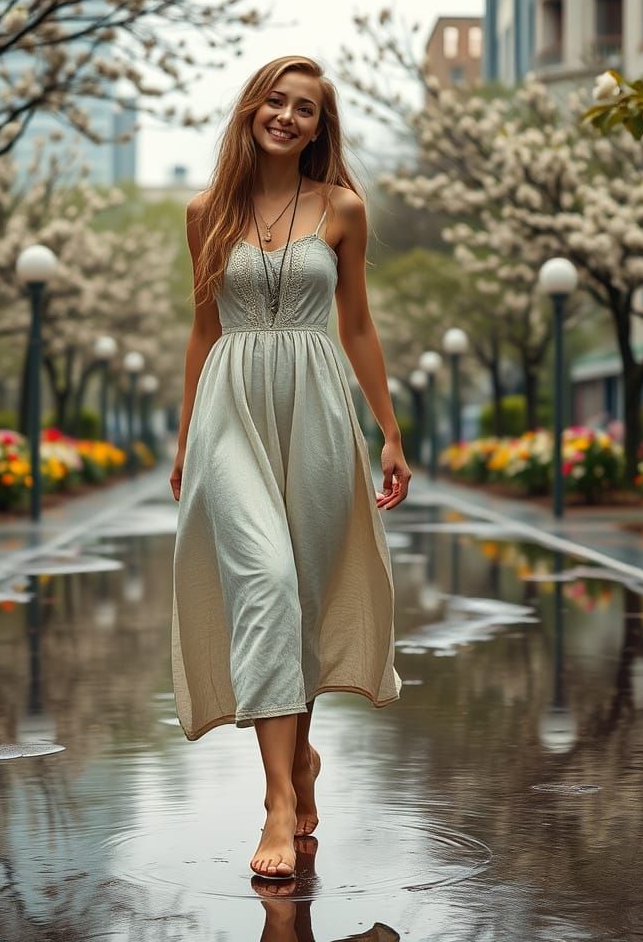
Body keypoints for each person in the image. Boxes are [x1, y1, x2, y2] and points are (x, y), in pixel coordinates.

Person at [169, 55, 410, 882]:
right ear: (250, 110)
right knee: (265, 582)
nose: (287, 116)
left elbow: (360, 327)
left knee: (301, 595)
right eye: (275, 100)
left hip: (315, 409)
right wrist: (183, 436)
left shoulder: (342, 208)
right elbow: (203, 331)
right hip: (231, 410)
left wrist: (388, 432)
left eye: (304, 108)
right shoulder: (205, 212)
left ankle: (302, 761)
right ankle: (278, 797)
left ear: (319, 127)